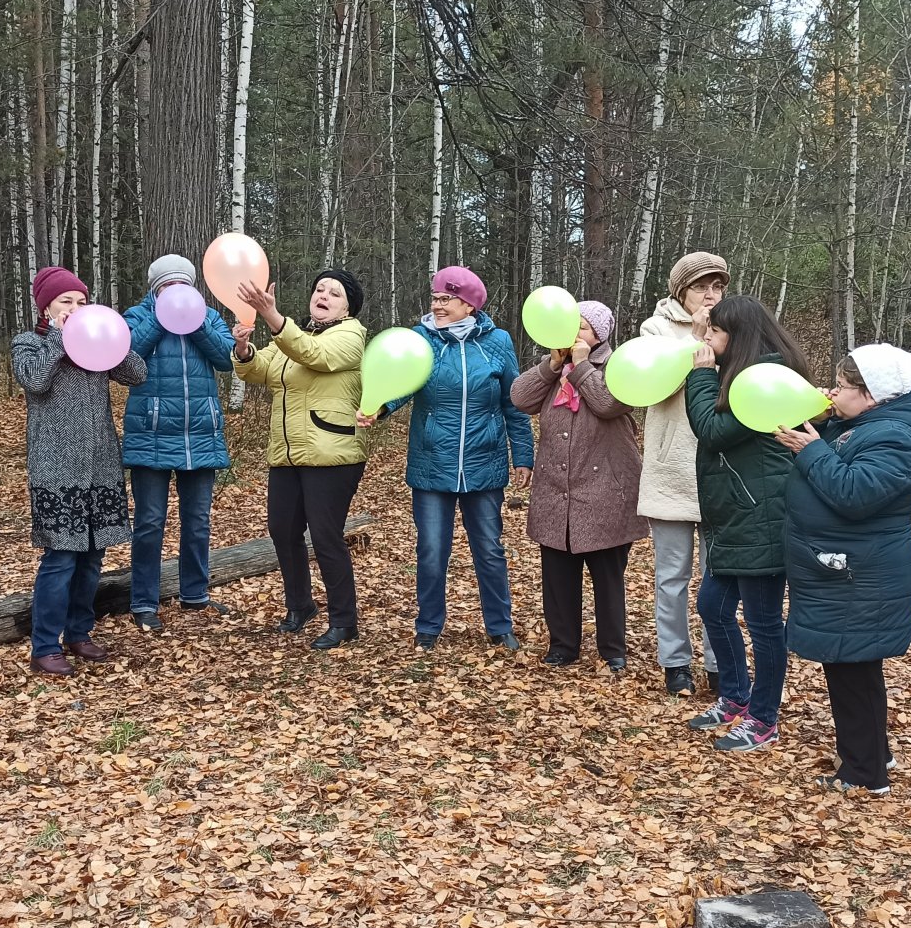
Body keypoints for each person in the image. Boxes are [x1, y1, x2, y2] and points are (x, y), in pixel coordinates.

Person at [775, 345, 911, 796]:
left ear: (872, 396)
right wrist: (819, 432)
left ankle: (864, 773)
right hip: (847, 572)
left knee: (853, 671)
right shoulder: (861, 426)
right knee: (851, 669)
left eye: (843, 387)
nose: (832, 391)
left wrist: (812, 452)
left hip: (863, 576)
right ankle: (871, 754)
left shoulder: (896, 438)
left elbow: (855, 493)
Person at [363, 266, 533, 651]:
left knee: (489, 549)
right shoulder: (420, 340)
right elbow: (401, 386)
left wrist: (523, 455)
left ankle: (500, 626)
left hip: (484, 464)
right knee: (431, 550)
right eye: (435, 298)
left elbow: (514, 402)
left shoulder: (498, 341)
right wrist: (379, 407)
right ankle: (428, 626)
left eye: (446, 299)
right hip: (431, 462)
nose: (437, 306)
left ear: (469, 304)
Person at [683, 296, 810, 752]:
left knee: (763, 623)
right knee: (714, 608)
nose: (707, 341)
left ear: (737, 337)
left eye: (714, 333)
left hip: (762, 516)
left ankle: (763, 717)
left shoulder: (765, 382)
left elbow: (712, 429)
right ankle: (734, 697)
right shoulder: (744, 375)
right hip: (734, 516)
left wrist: (700, 374)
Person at [13, 266, 148, 677]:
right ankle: (43, 645)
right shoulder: (29, 342)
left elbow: (137, 374)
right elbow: (34, 382)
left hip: (101, 465)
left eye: (81, 301)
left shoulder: (96, 345)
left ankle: (79, 631)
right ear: (47, 307)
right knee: (62, 558)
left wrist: (112, 340)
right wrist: (59, 337)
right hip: (57, 468)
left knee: (92, 557)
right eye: (65, 301)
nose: (75, 308)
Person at [230, 270, 368, 650]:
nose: (323, 295)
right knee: (283, 532)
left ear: (347, 306)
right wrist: (244, 349)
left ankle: (344, 620)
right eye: (319, 288)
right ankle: (300, 606)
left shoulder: (351, 335)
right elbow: (261, 370)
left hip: (332, 453)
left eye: (334, 292)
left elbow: (316, 356)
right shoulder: (296, 333)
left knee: (325, 537)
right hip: (288, 453)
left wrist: (274, 318)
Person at [510, 300, 645, 672]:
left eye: (583, 328)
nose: (574, 335)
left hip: (605, 489)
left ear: (599, 336)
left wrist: (582, 366)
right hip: (556, 489)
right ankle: (563, 644)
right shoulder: (555, 368)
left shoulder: (618, 366)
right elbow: (520, 398)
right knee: (557, 574)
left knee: (607, 575)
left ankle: (612, 648)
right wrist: (553, 364)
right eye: (571, 327)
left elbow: (608, 402)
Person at [121, 255, 235, 632]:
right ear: (156, 289)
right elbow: (127, 356)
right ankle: (143, 602)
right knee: (150, 522)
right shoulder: (138, 315)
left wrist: (196, 320)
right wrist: (162, 316)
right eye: (168, 286)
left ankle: (195, 594)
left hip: (200, 434)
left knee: (198, 521)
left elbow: (225, 358)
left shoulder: (208, 316)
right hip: (151, 434)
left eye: (183, 285)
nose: (176, 292)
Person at [637, 252, 730, 696]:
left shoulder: (731, 324)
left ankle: (719, 661)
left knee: (720, 575)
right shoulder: (654, 330)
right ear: (680, 291)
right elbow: (659, 383)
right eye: (701, 287)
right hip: (671, 469)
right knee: (671, 576)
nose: (710, 296)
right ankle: (675, 662)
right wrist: (697, 344)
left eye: (717, 287)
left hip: (719, 468)